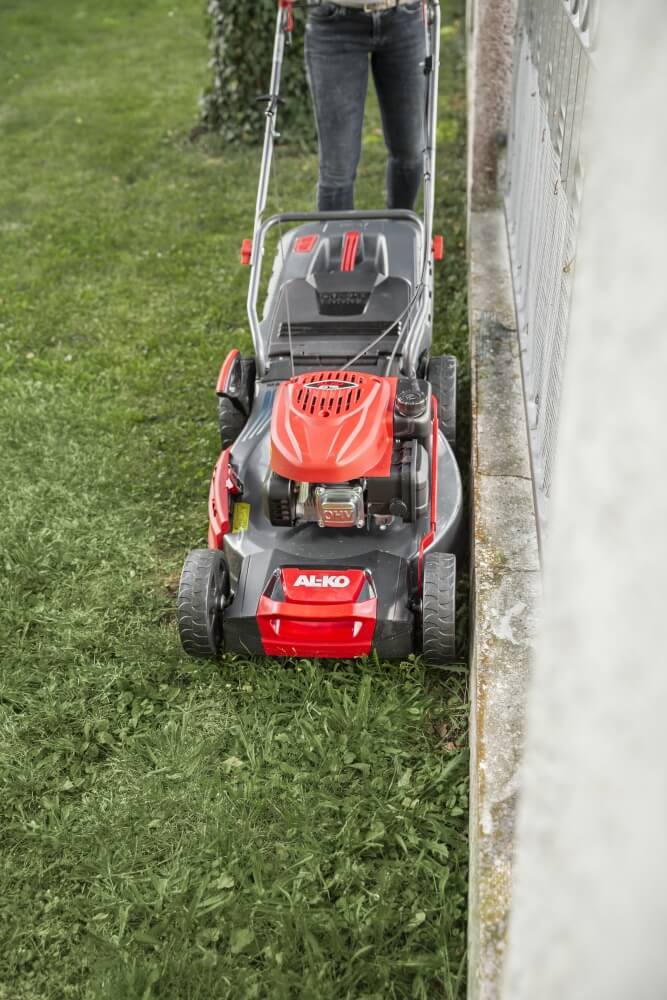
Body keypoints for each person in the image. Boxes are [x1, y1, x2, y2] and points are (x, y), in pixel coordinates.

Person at [304, 0, 427, 212]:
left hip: (405, 17)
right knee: (338, 168)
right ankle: (337, 234)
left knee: (411, 152)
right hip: (334, 22)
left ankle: (399, 226)